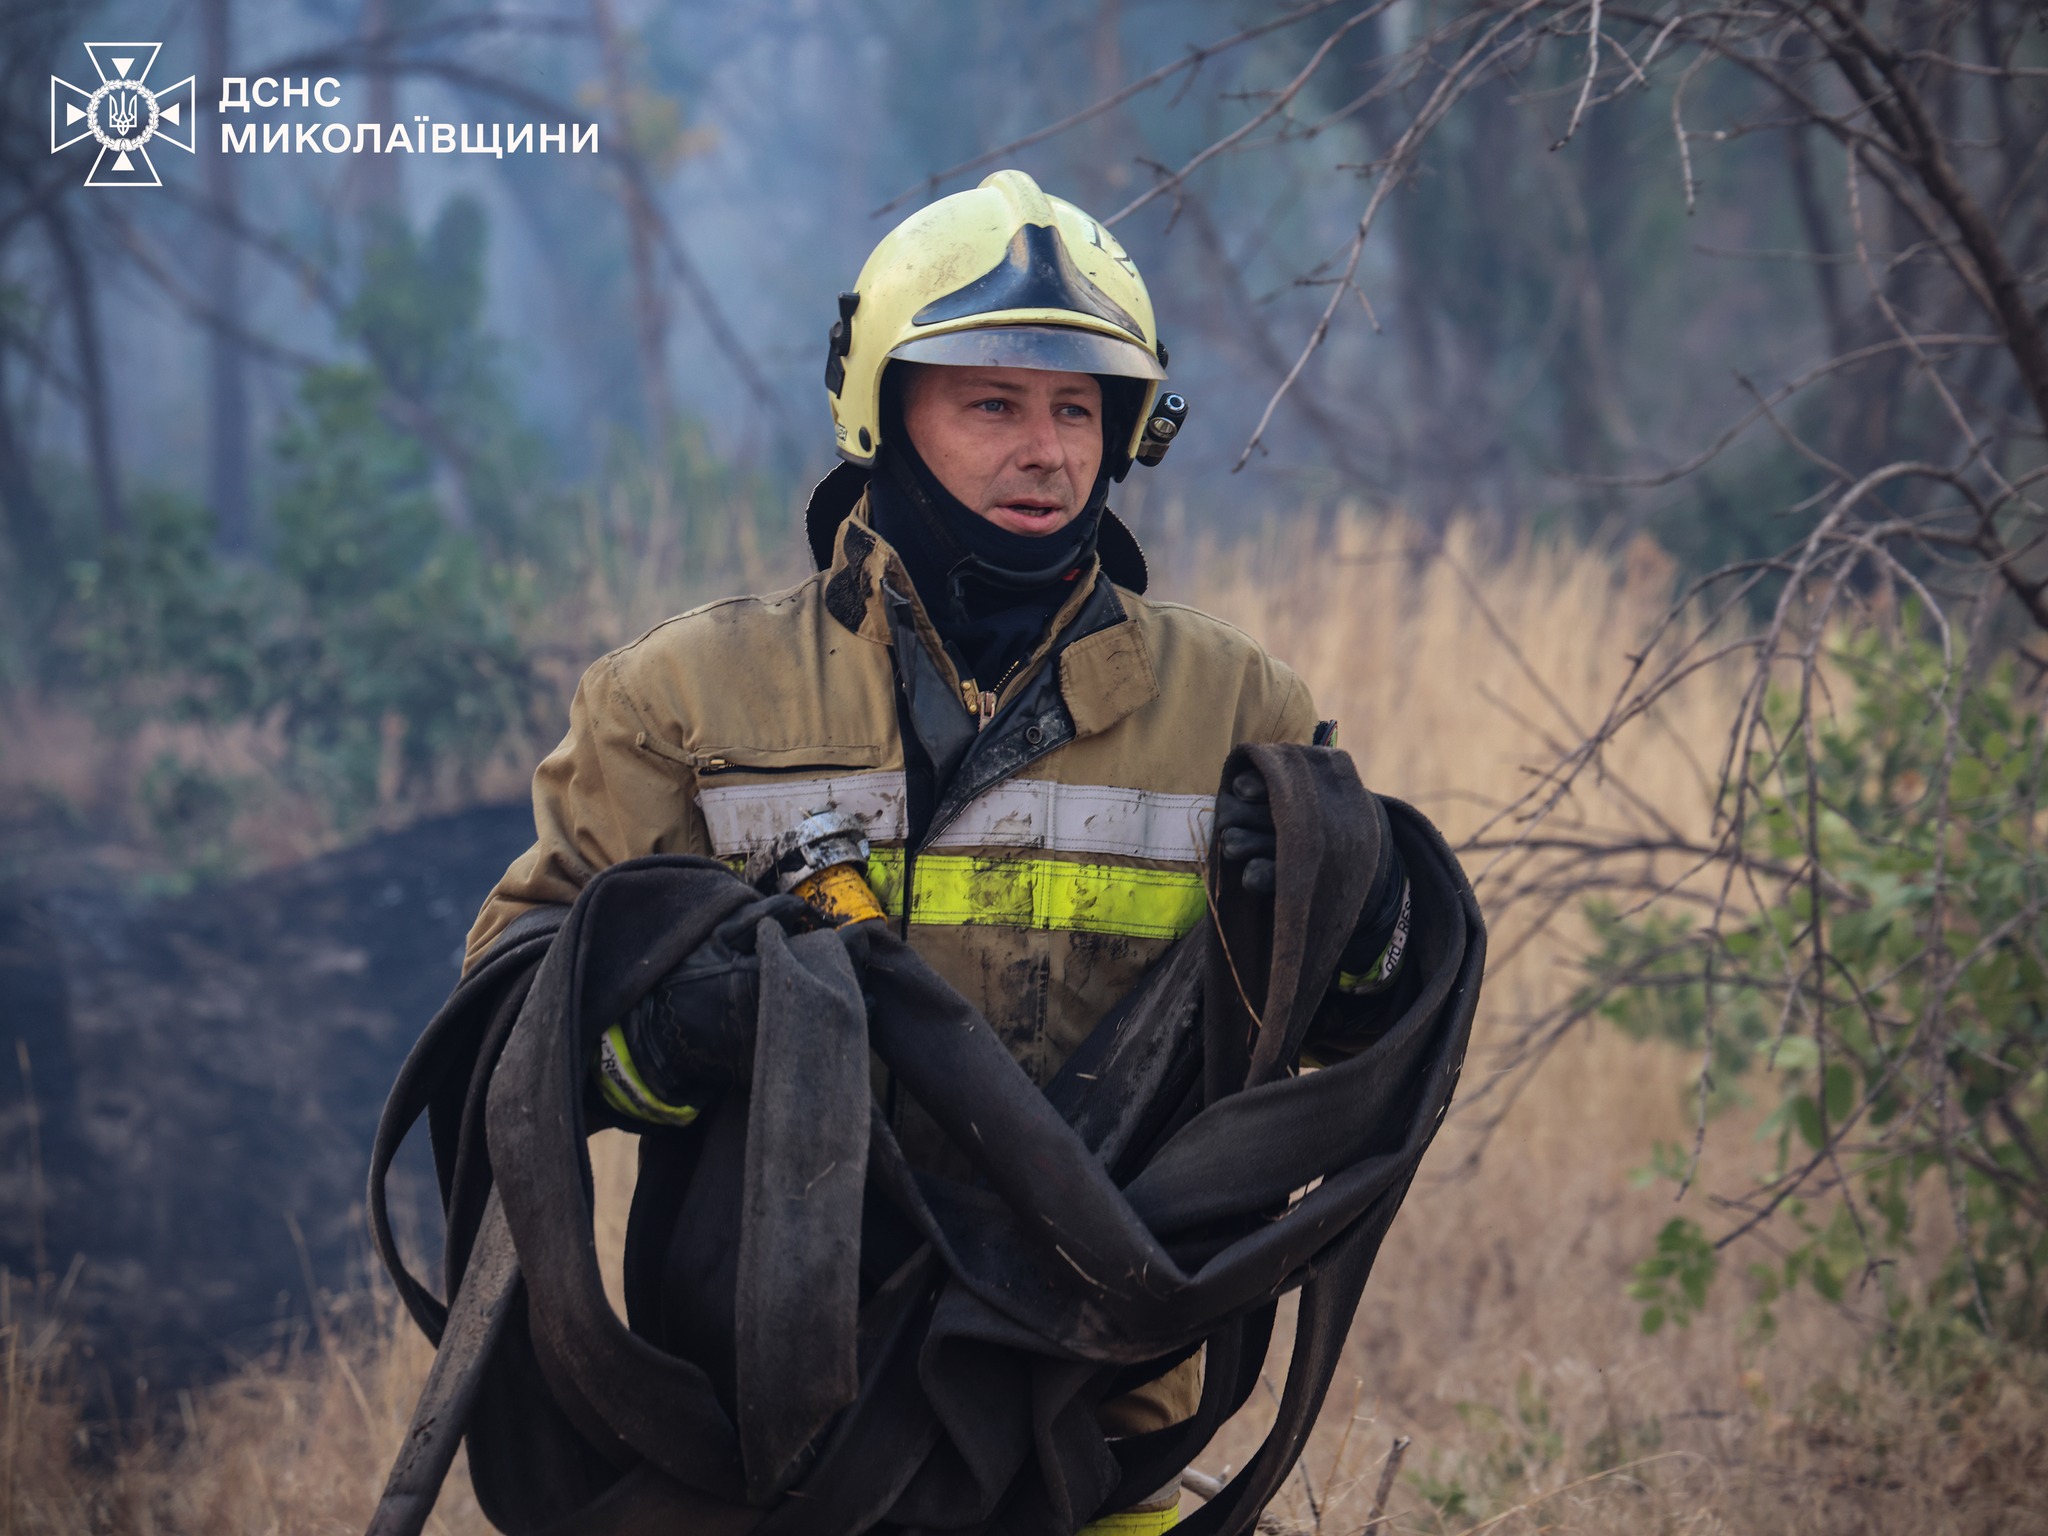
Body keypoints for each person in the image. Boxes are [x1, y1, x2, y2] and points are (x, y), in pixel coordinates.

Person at [463, 168, 1411, 1533]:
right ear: (881, 415)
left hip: (1095, 1439)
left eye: (1079, 408)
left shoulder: (1237, 717)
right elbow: (510, 1037)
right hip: (764, 1442)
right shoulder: (683, 705)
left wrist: (1364, 927)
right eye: (993, 403)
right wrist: (666, 1038)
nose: (1047, 452)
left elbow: (1335, 1056)